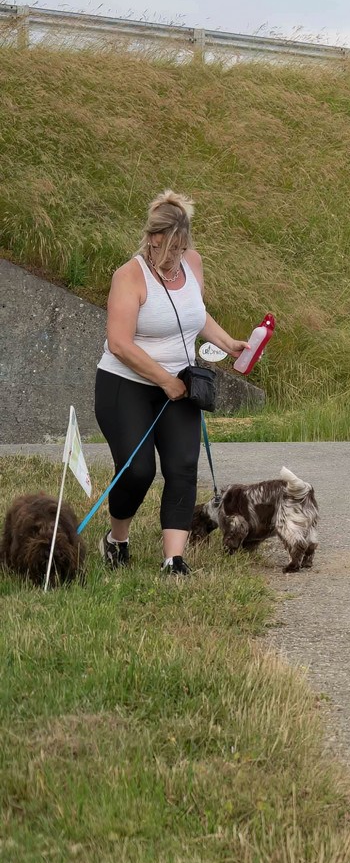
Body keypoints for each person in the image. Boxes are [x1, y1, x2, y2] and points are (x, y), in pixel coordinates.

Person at [94, 191, 251, 577]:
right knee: (138, 470)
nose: (174, 258)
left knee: (182, 464)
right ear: (153, 238)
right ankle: (116, 540)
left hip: (180, 384)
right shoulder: (129, 276)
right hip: (126, 383)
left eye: (181, 249)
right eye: (168, 249)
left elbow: (195, 314)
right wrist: (164, 380)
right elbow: (119, 343)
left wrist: (228, 343)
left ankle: (173, 560)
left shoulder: (192, 263)